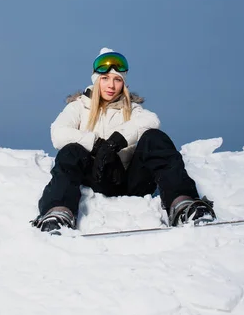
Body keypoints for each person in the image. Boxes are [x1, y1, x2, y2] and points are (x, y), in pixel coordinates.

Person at [32, 48, 215, 232]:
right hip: (98, 176)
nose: (111, 85)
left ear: (123, 83)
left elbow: (152, 121)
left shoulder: (132, 108)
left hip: (132, 179)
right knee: (70, 151)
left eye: (117, 79)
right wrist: (96, 145)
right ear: (96, 80)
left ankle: (183, 205)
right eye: (105, 79)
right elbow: (58, 133)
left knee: (154, 138)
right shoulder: (79, 106)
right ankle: (58, 213)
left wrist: (116, 141)